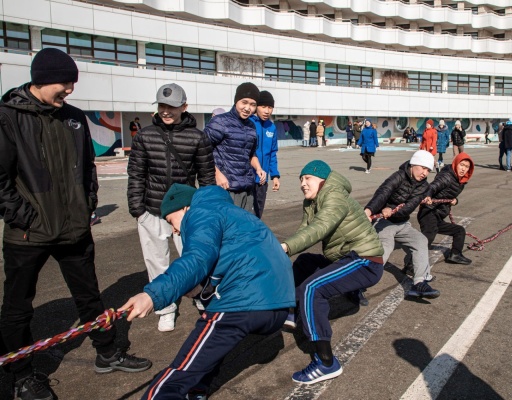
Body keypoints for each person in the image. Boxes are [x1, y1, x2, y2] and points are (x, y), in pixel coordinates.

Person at [0, 48, 151, 400]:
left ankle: (107, 352)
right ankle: (21, 376)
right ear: (42, 79)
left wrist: (88, 205)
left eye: (73, 83)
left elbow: (87, 169)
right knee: (17, 308)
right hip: (28, 234)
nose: (70, 89)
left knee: (89, 296)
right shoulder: (8, 117)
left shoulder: (74, 118)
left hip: (75, 229)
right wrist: (23, 216)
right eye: (65, 83)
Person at [122, 183, 295, 399]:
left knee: (174, 378)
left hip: (245, 301)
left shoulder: (201, 212)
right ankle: (197, 389)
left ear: (184, 208)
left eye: (171, 221)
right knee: (209, 341)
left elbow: (197, 258)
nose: (174, 230)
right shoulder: (236, 213)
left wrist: (152, 295)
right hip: (280, 306)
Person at [280, 161, 384, 384]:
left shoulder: (334, 195)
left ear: (322, 179)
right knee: (304, 262)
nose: (302, 184)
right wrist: (284, 249)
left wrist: (286, 247)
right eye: (301, 179)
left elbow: (320, 228)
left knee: (312, 289)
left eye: (307, 178)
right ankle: (291, 312)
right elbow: (305, 230)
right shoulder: (312, 201)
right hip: (345, 258)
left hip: (365, 261)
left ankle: (326, 362)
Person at [127, 82, 216, 332]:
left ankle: (201, 296)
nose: (166, 111)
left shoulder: (198, 137)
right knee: (156, 262)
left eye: (172, 106)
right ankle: (165, 308)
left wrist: (205, 209)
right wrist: (138, 210)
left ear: (184, 107)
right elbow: (136, 174)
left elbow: (207, 177)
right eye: (162, 105)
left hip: (185, 211)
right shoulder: (145, 136)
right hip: (151, 210)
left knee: (195, 257)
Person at [365, 150, 440, 299]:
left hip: (402, 223)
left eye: (428, 170)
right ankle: (360, 283)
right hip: (384, 222)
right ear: (413, 164)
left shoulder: (424, 186)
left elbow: (409, 207)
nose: (424, 173)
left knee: (421, 241)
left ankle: (419, 283)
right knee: (385, 248)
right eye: (423, 168)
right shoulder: (398, 176)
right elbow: (383, 193)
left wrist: (392, 210)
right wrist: (369, 210)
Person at [204, 82, 266, 212]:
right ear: (236, 101)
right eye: (244, 102)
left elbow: (251, 154)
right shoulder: (220, 122)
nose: (247, 108)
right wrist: (217, 174)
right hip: (226, 188)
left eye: (253, 105)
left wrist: (259, 168)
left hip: (247, 189)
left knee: (246, 224)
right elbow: (202, 151)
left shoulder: (251, 126)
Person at [418, 153, 475, 265]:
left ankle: (455, 255)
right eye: (461, 165)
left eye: (467, 167)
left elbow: (450, 195)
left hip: (438, 215)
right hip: (428, 212)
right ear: (456, 164)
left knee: (459, 231)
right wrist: (428, 195)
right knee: (429, 235)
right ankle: (411, 265)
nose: (463, 169)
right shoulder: (447, 176)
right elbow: (432, 186)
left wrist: (455, 201)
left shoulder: (460, 181)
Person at [250, 90, 280, 219]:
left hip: (262, 181)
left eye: (270, 107)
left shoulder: (272, 127)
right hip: (248, 178)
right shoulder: (249, 123)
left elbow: (272, 153)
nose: (267, 111)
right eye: (263, 107)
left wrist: (275, 175)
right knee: (246, 214)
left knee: (258, 215)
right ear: (256, 107)